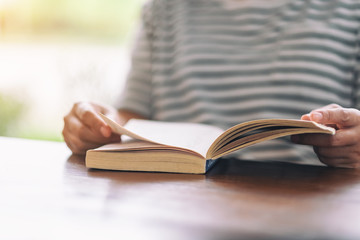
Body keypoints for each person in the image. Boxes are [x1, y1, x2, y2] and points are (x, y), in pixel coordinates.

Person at [63, 0, 360, 168]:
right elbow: (132, 116)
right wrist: (102, 126)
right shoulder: (165, 9)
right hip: (178, 199)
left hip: (308, 204)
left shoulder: (351, 12)